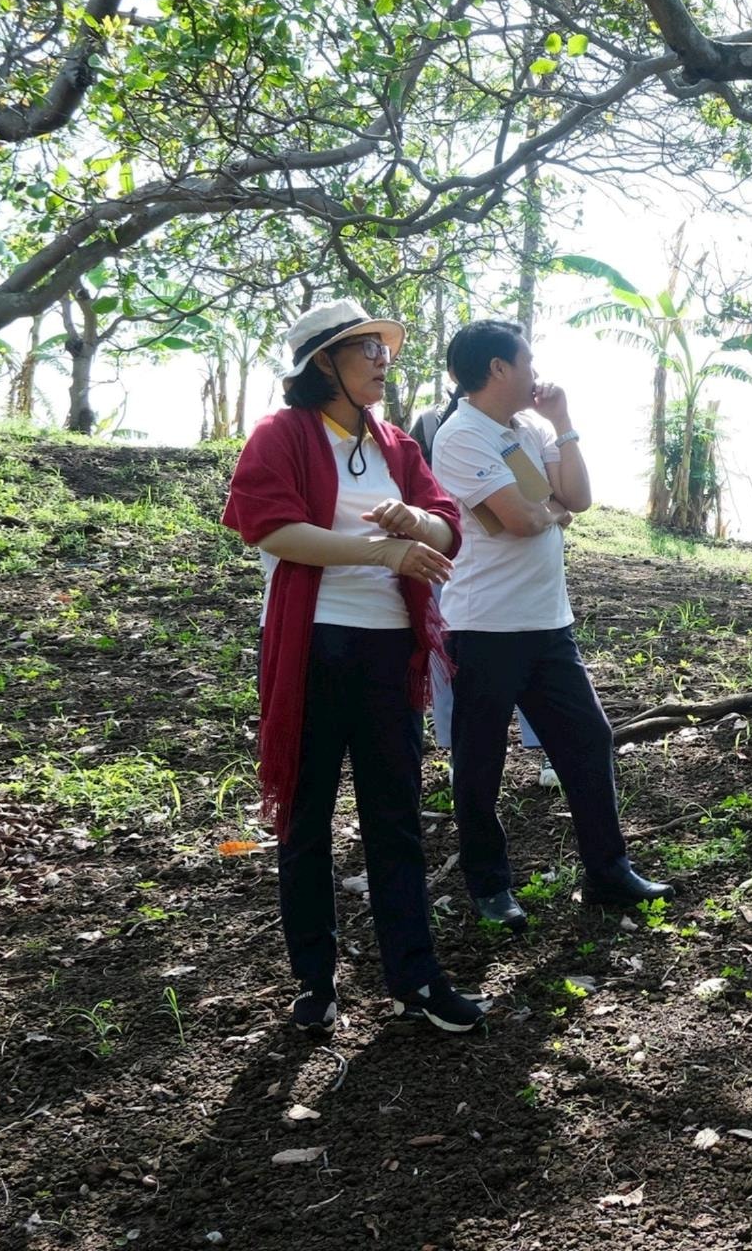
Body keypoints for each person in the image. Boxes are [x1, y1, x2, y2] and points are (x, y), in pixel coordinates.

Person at [221, 298, 484, 1035]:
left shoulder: (397, 445)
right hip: (312, 646)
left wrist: (416, 523)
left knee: (394, 817)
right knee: (306, 819)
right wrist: (384, 549)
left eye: (382, 345)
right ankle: (314, 982)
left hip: (386, 649)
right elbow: (270, 528)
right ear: (322, 363)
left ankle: (416, 978)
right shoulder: (283, 434)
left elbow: (447, 524)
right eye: (364, 347)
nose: (381, 359)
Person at [430, 319, 672, 931]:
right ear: (497, 370)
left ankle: (608, 870)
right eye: (528, 362)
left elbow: (578, 498)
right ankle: (489, 885)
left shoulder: (532, 427)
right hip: (483, 628)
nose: (537, 374)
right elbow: (518, 518)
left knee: (588, 742)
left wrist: (563, 422)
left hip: (547, 625)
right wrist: (547, 510)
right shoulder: (460, 436)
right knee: (480, 763)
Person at [410, 390, 553, 788]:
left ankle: (545, 752)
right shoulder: (433, 425)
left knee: (530, 665)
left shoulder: (520, 429)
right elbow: (414, 486)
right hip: (449, 557)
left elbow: (550, 496)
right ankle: (460, 756)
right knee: (452, 665)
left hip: (510, 569)